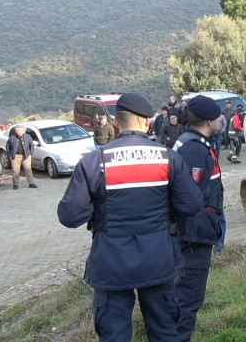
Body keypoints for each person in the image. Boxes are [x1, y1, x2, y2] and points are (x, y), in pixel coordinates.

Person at [57, 93, 203, 342]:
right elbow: (192, 204)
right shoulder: (169, 158)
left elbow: (70, 216)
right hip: (158, 259)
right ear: (147, 122)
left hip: (111, 264)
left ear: (116, 122)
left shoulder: (94, 162)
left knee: (114, 336)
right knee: (165, 333)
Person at [172, 95, 225, 341]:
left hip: (193, 231)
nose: (220, 121)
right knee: (188, 298)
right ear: (209, 121)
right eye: (217, 118)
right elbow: (192, 196)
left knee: (184, 297)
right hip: (193, 234)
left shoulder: (189, 142)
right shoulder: (194, 148)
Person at [7, 125, 37, 189]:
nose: (20, 132)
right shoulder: (12, 137)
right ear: (15, 131)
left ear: (23, 131)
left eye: (21, 130)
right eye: (18, 130)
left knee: (28, 170)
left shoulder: (28, 136)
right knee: (15, 171)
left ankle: (31, 183)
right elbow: (8, 146)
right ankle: (15, 185)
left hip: (26, 156)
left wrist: (30, 153)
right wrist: (10, 154)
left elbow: (31, 145)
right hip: (15, 156)